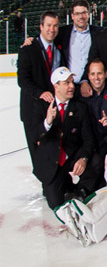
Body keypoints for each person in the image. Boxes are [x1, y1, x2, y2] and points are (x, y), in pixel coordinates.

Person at [31, 67, 100, 209]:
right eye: (66, 83)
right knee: (56, 203)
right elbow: (34, 135)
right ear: (56, 86)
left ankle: (81, 187)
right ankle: (65, 184)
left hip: (72, 157)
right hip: (52, 161)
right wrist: (47, 122)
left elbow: (89, 139)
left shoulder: (80, 108)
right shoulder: (41, 106)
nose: (71, 86)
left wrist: (83, 159)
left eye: (72, 82)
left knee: (96, 161)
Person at [18, 11, 65, 167]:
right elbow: (23, 80)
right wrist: (40, 93)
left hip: (52, 107)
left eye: (55, 25)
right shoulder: (28, 49)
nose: (51, 29)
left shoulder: (60, 46)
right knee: (37, 151)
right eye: (48, 25)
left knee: (53, 148)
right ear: (41, 26)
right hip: (32, 109)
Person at [56, 0, 102, 90]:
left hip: (93, 86)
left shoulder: (99, 32)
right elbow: (47, 34)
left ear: (89, 14)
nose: (81, 17)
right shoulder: (63, 33)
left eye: (84, 13)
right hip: (70, 87)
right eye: (77, 14)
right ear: (72, 16)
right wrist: (32, 40)